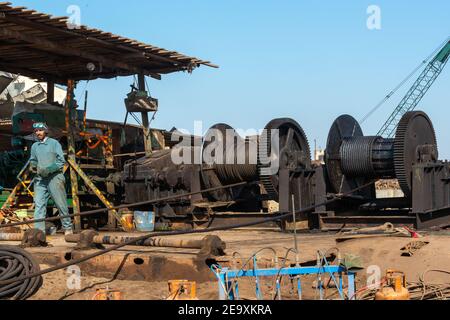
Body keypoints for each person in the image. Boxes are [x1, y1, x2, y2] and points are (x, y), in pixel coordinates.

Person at [29, 122, 73, 235]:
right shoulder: (34, 146)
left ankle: (68, 228)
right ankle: (39, 232)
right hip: (40, 179)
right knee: (39, 204)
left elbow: (61, 161)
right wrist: (33, 166)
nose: (38, 133)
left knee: (60, 203)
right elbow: (33, 159)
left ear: (45, 131)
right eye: (36, 131)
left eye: (40, 130)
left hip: (54, 178)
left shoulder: (54, 143)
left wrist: (49, 169)